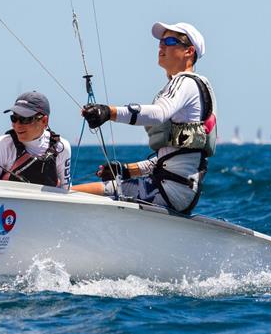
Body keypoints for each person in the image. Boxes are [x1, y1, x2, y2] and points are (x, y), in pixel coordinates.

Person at [72, 21, 216, 214]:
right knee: (102, 187)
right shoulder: (191, 88)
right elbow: (169, 158)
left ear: (189, 51)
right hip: (176, 191)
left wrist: (109, 112)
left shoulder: (185, 83)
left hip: (168, 190)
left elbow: (157, 114)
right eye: (161, 41)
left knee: (72, 193)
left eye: (170, 41)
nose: (161, 46)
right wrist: (126, 170)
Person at [0, 91, 72, 189]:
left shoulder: (61, 147)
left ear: (44, 121)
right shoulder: (2, 144)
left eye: (25, 119)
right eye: (14, 118)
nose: (17, 125)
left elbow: (66, 190)